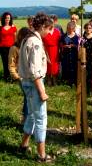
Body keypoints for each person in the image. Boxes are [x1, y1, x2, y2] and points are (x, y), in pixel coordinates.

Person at [18, 12, 53, 162]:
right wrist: (42, 91)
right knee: (41, 119)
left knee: (32, 115)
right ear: (43, 27)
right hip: (34, 83)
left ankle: (24, 145)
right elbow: (35, 71)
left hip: (27, 82)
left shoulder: (28, 38)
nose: (49, 32)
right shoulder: (36, 42)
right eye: (49, 29)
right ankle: (42, 155)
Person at [8, 27, 31, 123]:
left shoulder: (29, 46)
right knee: (27, 96)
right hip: (21, 76)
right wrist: (17, 77)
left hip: (30, 76)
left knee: (29, 97)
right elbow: (11, 65)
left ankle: (27, 119)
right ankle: (26, 120)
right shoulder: (14, 48)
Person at [60, 21, 80, 86]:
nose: (69, 30)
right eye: (68, 29)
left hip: (74, 55)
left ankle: (74, 81)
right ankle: (67, 82)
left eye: (71, 29)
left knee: (74, 67)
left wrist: (74, 46)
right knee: (66, 67)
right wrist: (64, 46)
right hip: (66, 55)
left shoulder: (77, 36)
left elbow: (80, 46)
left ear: (74, 29)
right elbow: (60, 45)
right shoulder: (63, 36)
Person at [42, 21, 61, 86]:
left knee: (55, 65)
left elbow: (60, 42)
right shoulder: (45, 31)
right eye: (50, 24)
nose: (51, 25)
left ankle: (55, 79)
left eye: (52, 23)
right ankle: (49, 79)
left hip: (55, 50)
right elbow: (42, 43)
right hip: (47, 50)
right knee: (48, 64)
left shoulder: (57, 31)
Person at [0, 12, 17, 82]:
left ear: (10, 19)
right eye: (6, 18)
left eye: (8, 18)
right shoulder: (0, 28)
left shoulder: (13, 27)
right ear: (3, 19)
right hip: (2, 48)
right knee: (5, 62)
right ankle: (6, 77)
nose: (7, 19)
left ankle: (13, 77)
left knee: (12, 63)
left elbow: (16, 38)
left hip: (11, 48)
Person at [82, 22, 92, 94]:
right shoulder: (82, 37)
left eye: (90, 28)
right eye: (86, 28)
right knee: (85, 73)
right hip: (85, 57)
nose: (88, 29)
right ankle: (86, 88)